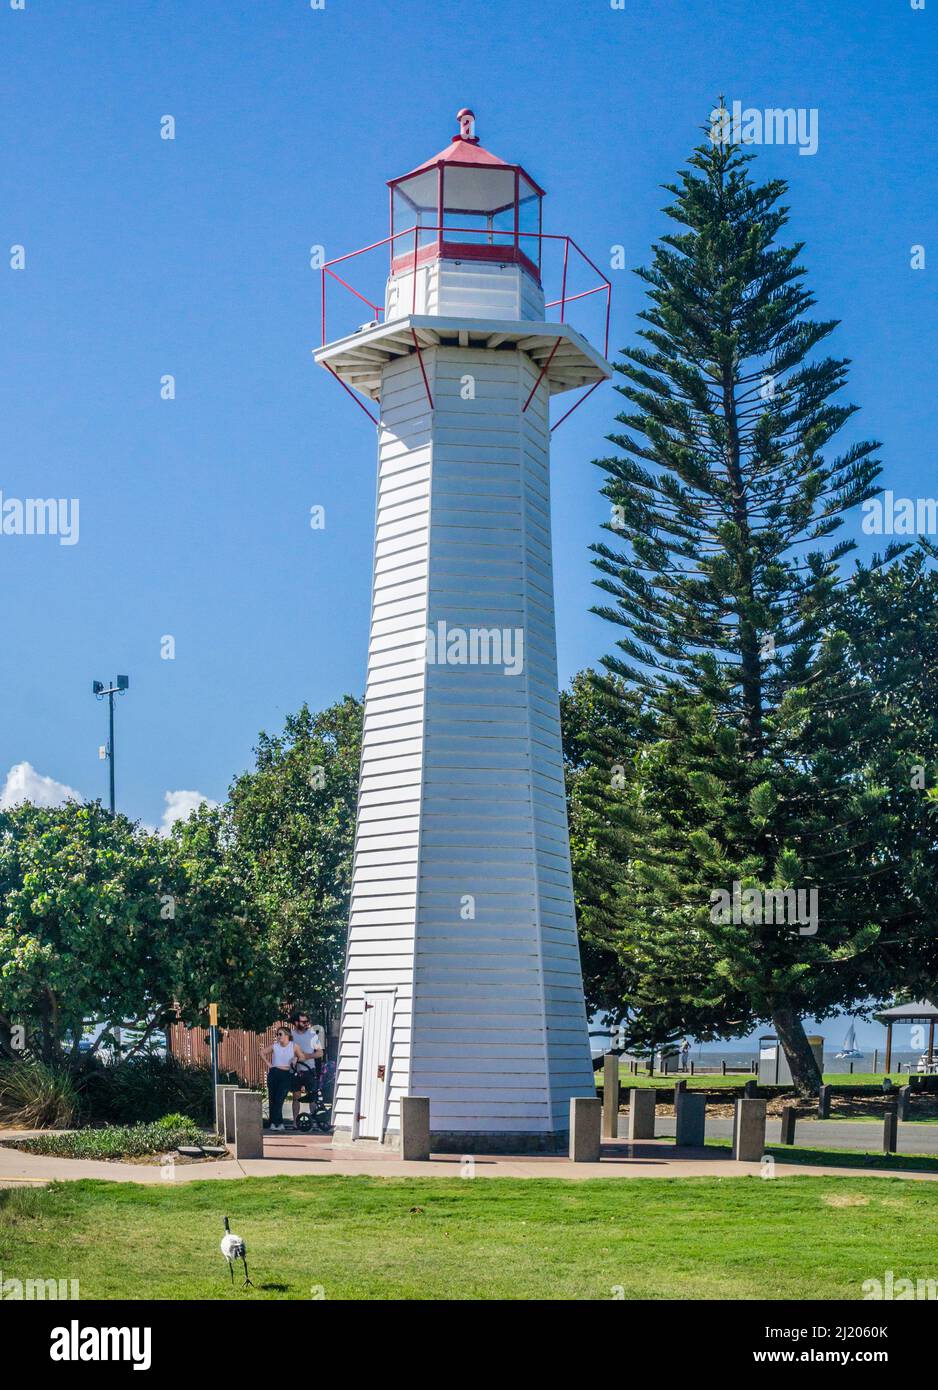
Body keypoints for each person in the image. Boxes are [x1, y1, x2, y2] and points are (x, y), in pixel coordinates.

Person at [261, 1027, 304, 1132]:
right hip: (275, 1072)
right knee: (273, 1098)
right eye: (277, 1034)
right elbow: (262, 1052)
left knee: (280, 1098)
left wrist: (296, 1059)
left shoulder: (293, 1046)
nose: (278, 1036)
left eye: (280, 1034)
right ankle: (274, 1123)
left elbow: (302, 1056)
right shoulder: (275, 1046)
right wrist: (269, 1064)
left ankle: (278, 1123)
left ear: (287, 1035)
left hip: (286, 1073)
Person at [290, 1012, 324, 1128]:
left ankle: (313, 1122)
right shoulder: (291, 1035)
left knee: (312, 1096)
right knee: (296, 1096)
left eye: (307, 1022)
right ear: (296, 1023)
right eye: (303, 1022)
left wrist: (307, 1056)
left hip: (310, 1070)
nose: (306, 1024)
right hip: (295, 1069)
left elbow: (320, 1053)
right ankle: (295, 1122)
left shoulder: (312, 1035)